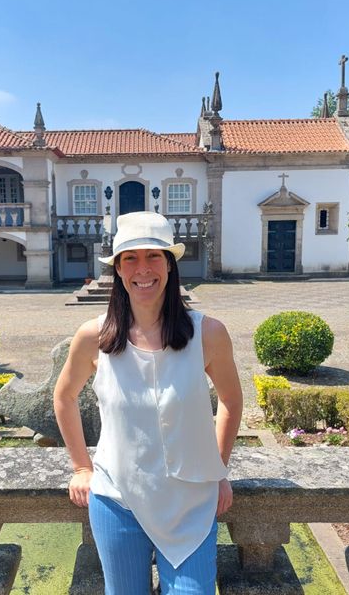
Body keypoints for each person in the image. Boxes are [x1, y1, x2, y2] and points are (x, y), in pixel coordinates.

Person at [54, 211, 243, 594]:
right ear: (119, 270)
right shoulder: (95, 337)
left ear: (171, 266)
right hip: (118, 501)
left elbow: (231, 400)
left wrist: (218, 469)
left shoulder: (207, 334)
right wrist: (80, 466)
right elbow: (64, 396)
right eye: (131, 258)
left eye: (154, 256)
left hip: (191, 503)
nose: (143, 268)